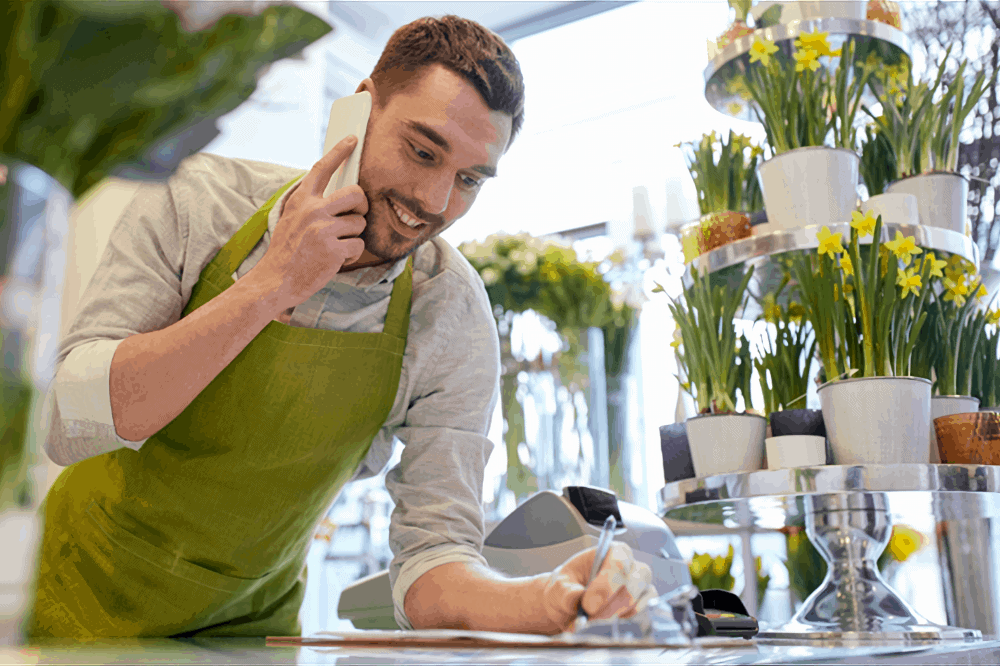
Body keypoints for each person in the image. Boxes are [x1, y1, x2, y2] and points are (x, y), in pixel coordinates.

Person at [30, 15, 656, 638]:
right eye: (422, 151)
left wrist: (544, 598)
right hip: (72, 603)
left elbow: (433, 561)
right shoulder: (197, 202)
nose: (437, 203)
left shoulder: (454, 313)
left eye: (468, 180)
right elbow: (67, 422)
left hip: (250, 633)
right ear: (359, 113)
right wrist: (273, 283)